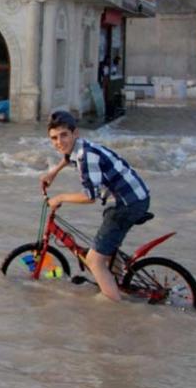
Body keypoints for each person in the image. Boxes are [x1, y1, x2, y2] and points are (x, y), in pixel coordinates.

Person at [40, 111, 150, 301]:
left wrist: (60, 198)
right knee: (106, 247)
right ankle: (117, 279)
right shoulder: (79, 149)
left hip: (128, 204)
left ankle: (114, 307)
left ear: (76, 133)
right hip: (136, 197)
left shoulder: (86, 157)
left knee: (93, 261)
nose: (59, 142)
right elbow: (67, 158)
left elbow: (90, 197)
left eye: (64, 135)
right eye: (54, 138)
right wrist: (53, 173)